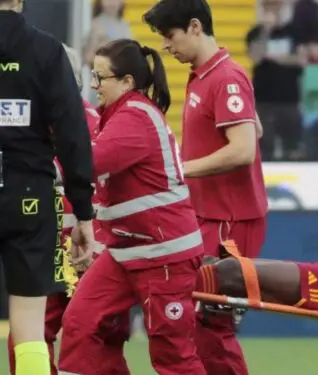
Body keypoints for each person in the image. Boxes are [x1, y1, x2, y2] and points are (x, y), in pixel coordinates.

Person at [56, 39, 206, 375]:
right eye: (92, 77)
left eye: (100, 78)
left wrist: (31, 168)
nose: (93, 86)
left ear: (127, 82)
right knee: (80, 324)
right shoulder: (118, 116)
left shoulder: (135, 116)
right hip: (126, 250)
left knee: (173, 354)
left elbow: (88, 162)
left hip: (163, 254)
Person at [143, 1, 267, 372]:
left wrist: (180, 168)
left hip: (231, 220)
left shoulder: (226, 77)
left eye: (170, 36)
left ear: (195, 26)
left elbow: (244, 149)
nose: (166, 46)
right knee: (198, 321)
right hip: (209, 216)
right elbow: (255, 129)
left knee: (210, 323)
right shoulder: (204, 74)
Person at [0, 2, 95, 374]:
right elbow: (73, 134)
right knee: (29, 327)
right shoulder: (47, 50)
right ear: (21, 1)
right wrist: (83, 211)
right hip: (29, 196)